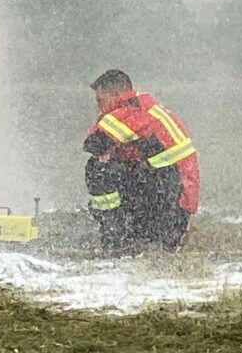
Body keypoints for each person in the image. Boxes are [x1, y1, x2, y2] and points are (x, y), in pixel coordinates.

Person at [83, 70, 199, 256]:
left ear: (115, 95)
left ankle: (114, 237)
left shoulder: (131, 112)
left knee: (99, 169)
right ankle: (127, 234)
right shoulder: (142, 106)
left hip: (171, 206)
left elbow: (94, 143)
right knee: (112, 164)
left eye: (100, 101)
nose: (99, 108)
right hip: (173, 202)